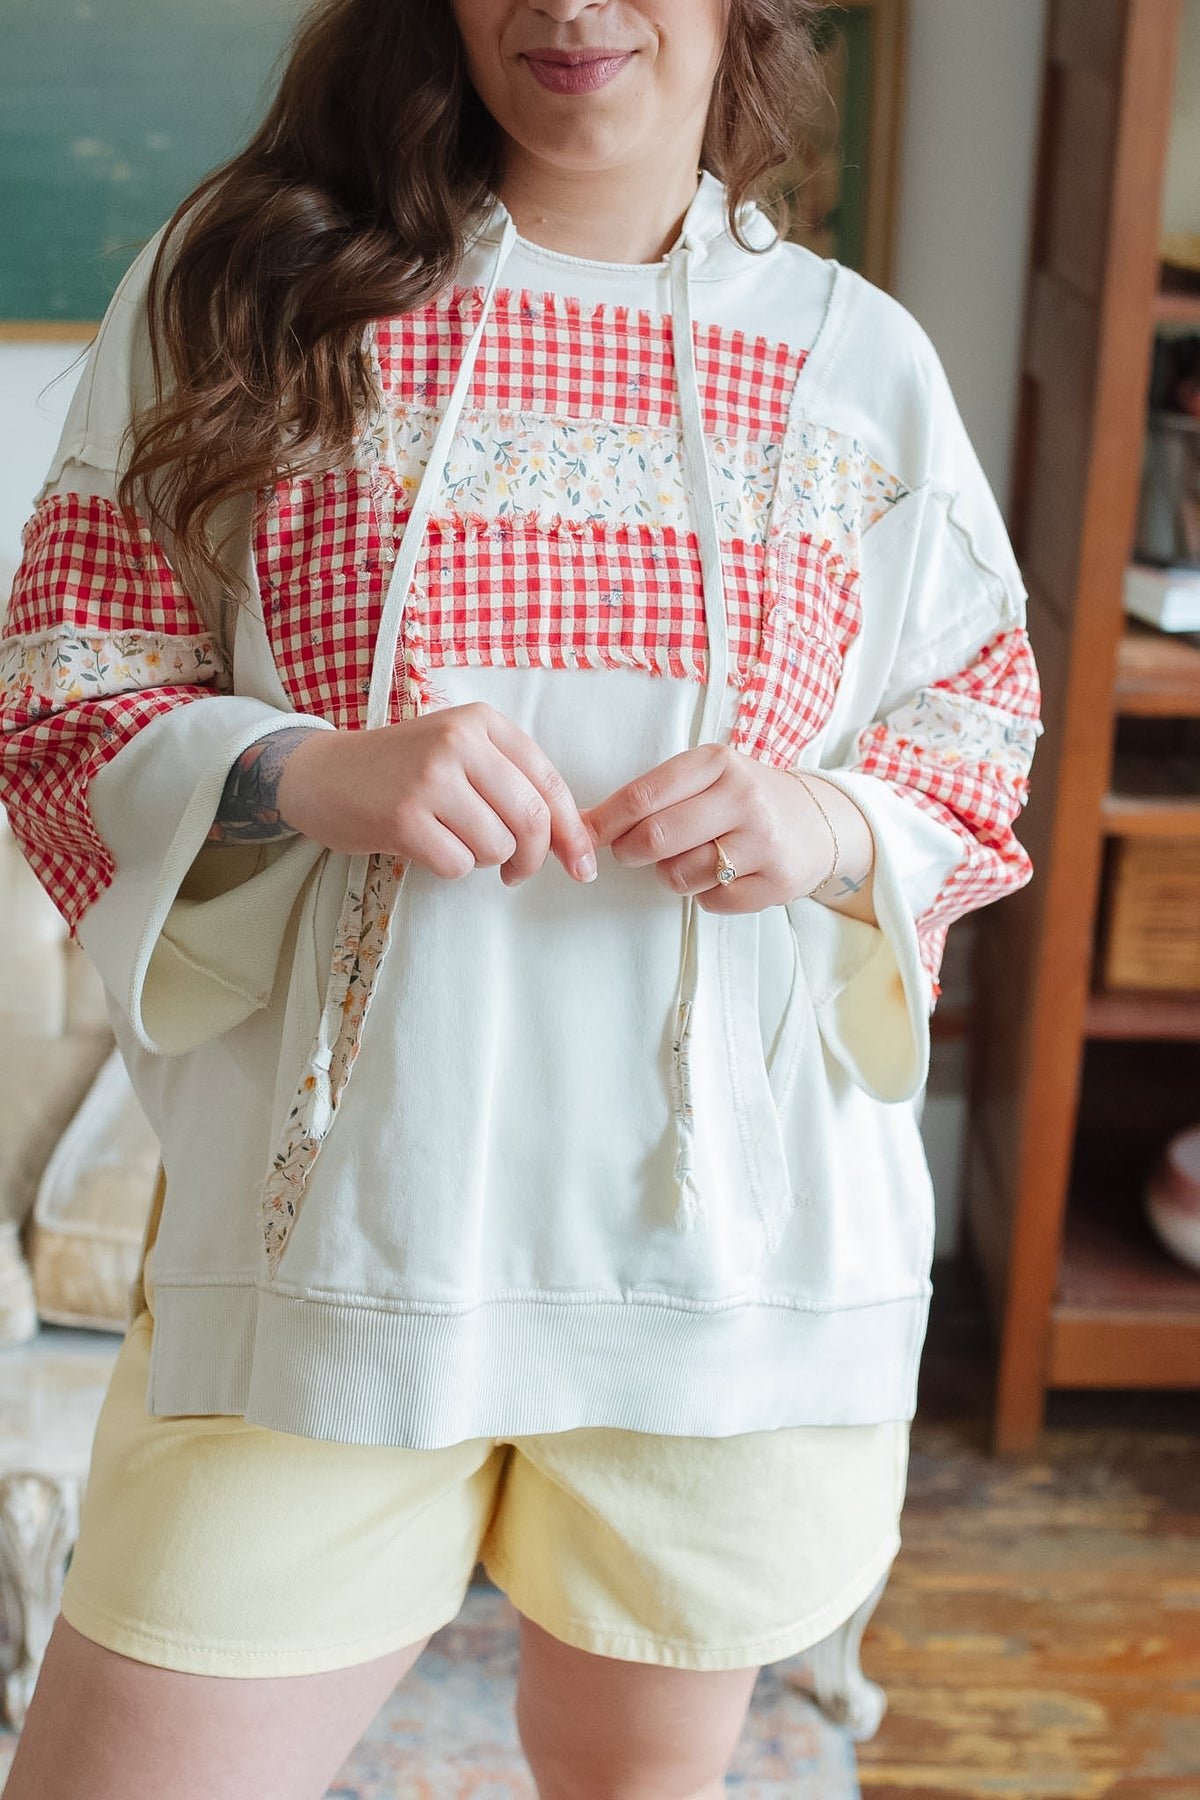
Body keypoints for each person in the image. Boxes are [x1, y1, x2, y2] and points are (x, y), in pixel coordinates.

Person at [0, 1, 1041, 1794]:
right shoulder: (244, 288)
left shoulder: (854, 362)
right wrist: (304, 770)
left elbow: (975, 726)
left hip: (721, 1279)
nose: (568, 8)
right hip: (340, 1253)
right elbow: (62, 692)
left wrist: (823, 822)